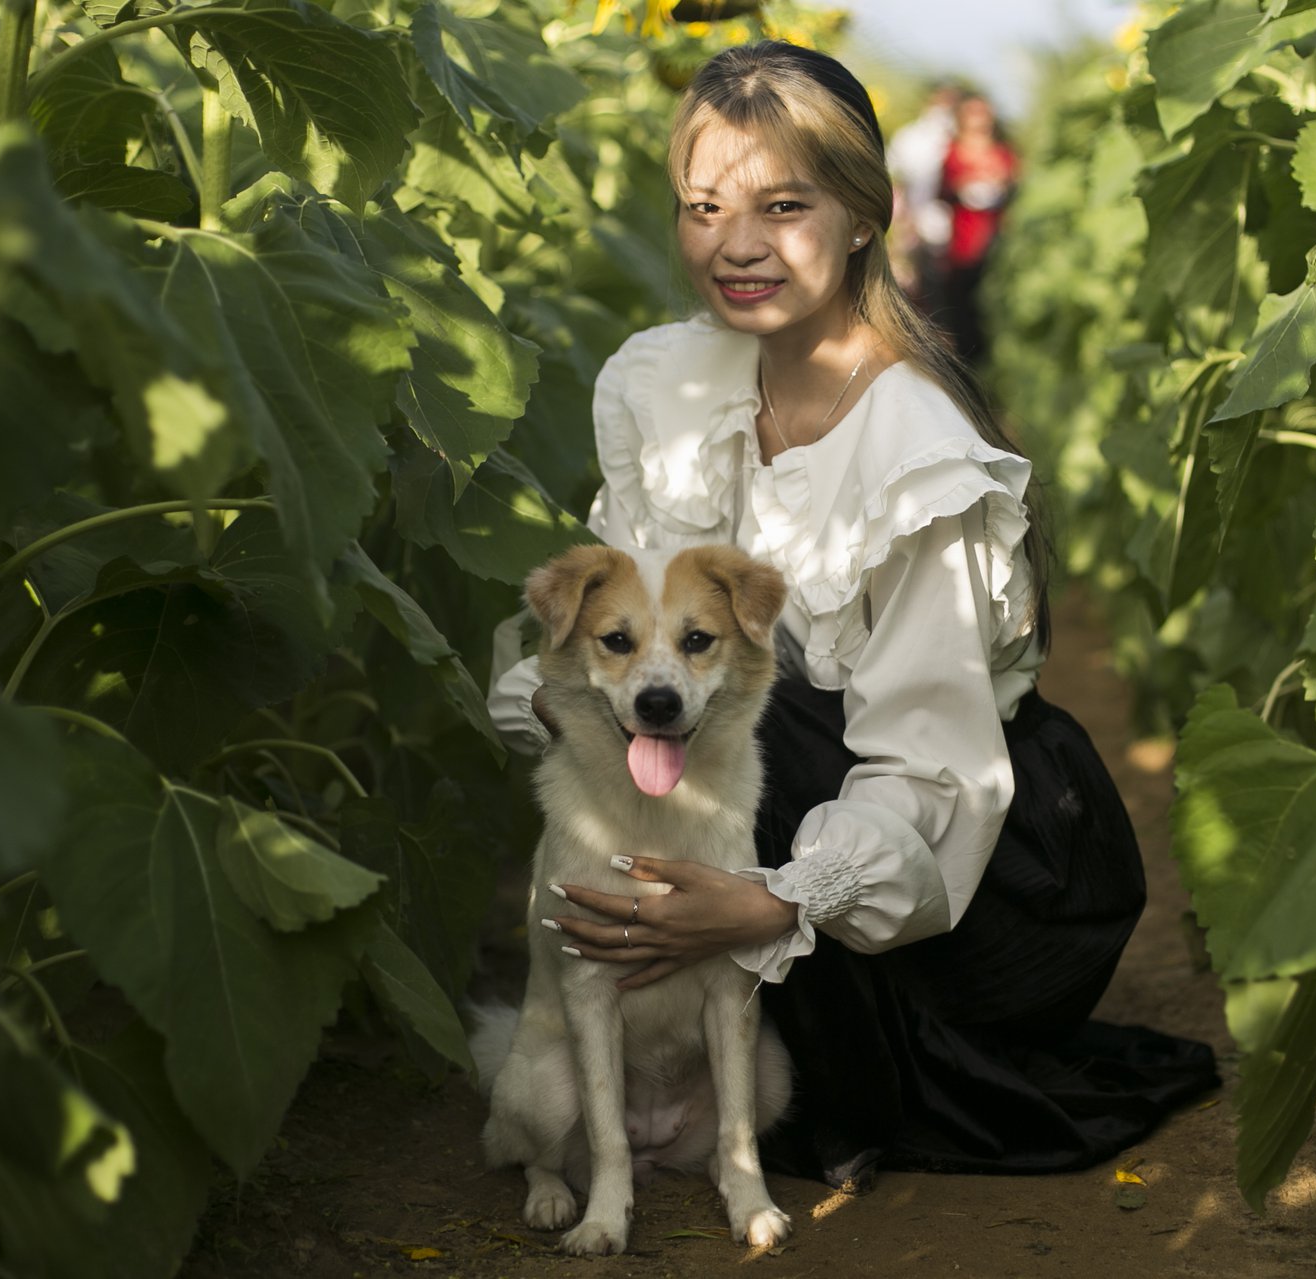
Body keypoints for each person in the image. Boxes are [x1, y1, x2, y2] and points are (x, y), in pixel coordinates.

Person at [488, 41, 1215, 1191]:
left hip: (972, 877)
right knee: (690, 687)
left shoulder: (917, 450)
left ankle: (837, 1050)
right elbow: (619, 623)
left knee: (750, 691)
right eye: (704, 206)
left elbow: (933, 767)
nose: (736, 244)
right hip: (774, 792)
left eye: (783, 206)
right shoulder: (673, 385)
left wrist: (769, 901)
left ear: (866, 215)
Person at [938, 92, 1017, 365]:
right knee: (963, 310)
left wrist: (1003, 185)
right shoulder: (952, 152)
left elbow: (1015, 190)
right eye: (973, 113)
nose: (979, 119)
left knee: (990, 306)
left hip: (996, 240)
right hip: (963, 242)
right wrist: (963, 186)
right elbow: (942, 191)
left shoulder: (1003, 153)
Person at [884, 81, 960, 318]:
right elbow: (894, 180)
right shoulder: (911, 137)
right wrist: (903, 221)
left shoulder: (960, 138)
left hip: (954, 231)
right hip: (914, 226)